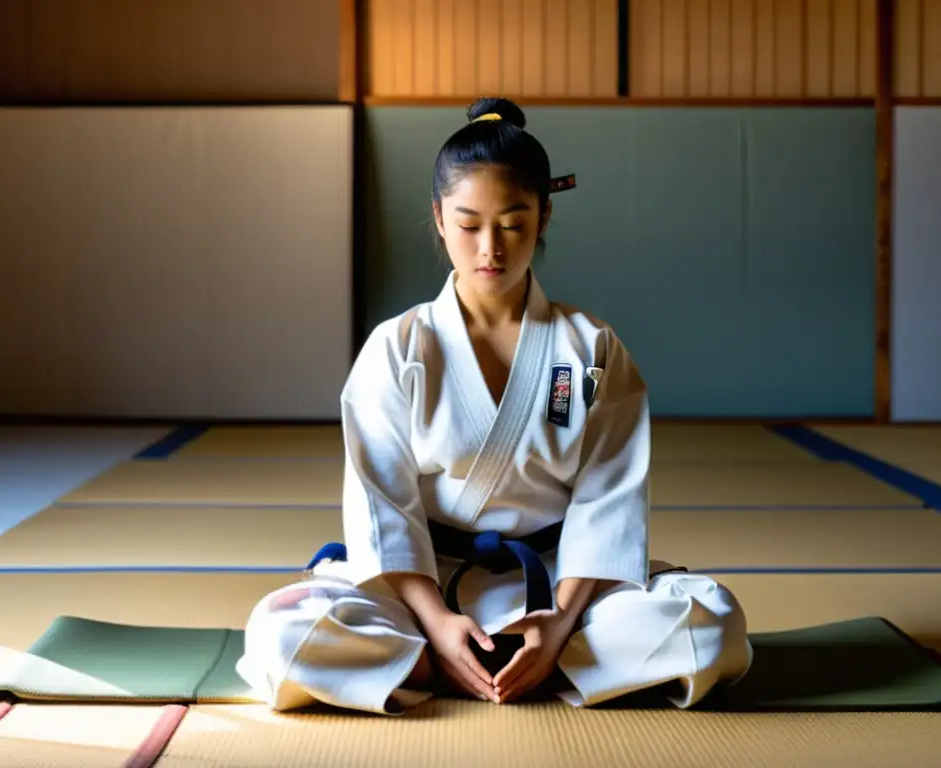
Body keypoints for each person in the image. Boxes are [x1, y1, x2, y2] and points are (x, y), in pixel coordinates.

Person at [235, 97, 752, 715]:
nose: (490, 247)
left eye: (513, 223)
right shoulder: (399, 348)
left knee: (711, 621)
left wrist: (557, 623)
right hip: (420, 586)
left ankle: (513, 658)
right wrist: (433, 623)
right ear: (438, 218)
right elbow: (382, 505)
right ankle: (445, 658)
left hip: (558, 586)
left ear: (543, 216)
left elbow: (608, 495)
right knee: (281, 634)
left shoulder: (587, 349)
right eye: (468, 222)